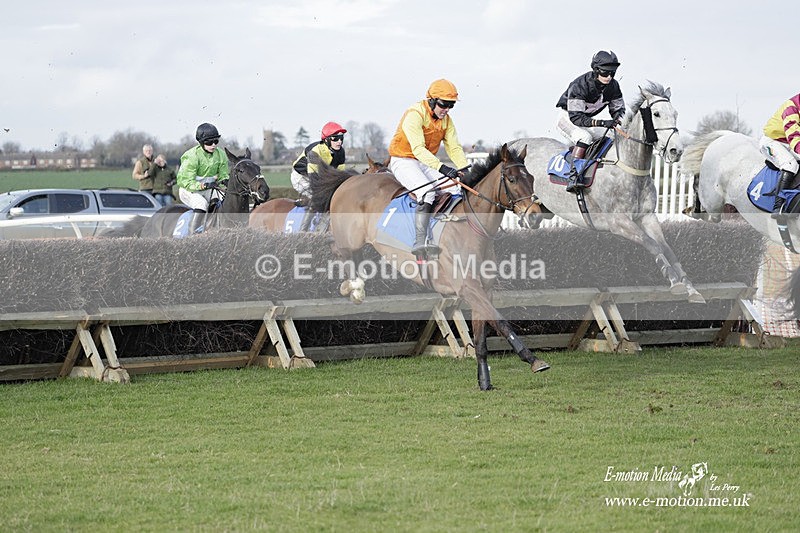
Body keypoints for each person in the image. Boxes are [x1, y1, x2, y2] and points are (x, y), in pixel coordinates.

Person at [388, 78, 468, 256]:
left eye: (451, 106)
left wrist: (464, 168)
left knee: (455, 186)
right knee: (428, 192)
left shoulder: (446, 120)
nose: (446, 110)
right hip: (403, 160)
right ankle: (420, 240)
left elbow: (453, 147)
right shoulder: (414, 114)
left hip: (424, 162)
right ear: (432, 100)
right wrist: (443, 168)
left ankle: (447, 230)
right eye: (444, 105)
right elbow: (418, 149)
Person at [556, 50, 626, 193]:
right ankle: (573, 176)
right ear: (595, 70)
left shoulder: (613, 86)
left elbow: (618, 109)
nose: (609, 77)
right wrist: (602, 123)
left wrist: (618, 119)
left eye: (612, 73)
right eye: (605, 73)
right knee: (584, 137)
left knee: (612, 137)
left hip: (586, 120)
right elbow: (576, 118)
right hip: (567, 118)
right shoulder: (579, 85)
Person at [291, 121, 347, 231]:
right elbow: (313, 180)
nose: (339, 141)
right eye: (335, 138)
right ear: (326, 139)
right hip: (301, 176)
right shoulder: (315, 151)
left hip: (321, 176)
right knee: (317, 197)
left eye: (341, 138)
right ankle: (303, 231)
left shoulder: (341, 152)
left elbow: (340, 177)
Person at [176, 123, 230, 233]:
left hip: (209, 189)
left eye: (216, 141)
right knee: (202, 204)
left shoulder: (221, 154)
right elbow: (185, 181)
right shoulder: (192, 156)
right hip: (189, 190)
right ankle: (192, 235)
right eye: (209, 142)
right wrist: (203, 185)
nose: (214, 145)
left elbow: (223, 175)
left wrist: (226, 181)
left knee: (223, 199)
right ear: (201, 142)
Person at [760, 93, 800, 218]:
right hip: (772, 141)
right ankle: (778, 206)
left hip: (788, 143)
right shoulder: (791, 108)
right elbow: (794, 137)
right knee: (790, 165)